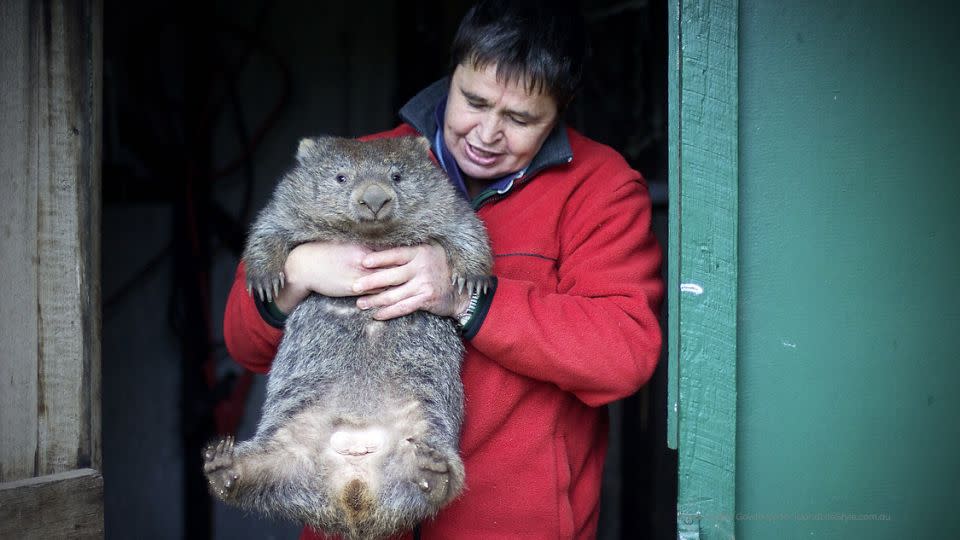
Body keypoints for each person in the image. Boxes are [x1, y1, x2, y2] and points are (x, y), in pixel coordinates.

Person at [223, 1, 663, 538]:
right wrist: (302, 268)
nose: (487, 134)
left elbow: (622, 354)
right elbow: (244, 343)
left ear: (563, 106)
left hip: (509, 523)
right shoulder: (358, 169)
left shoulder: (601, 190)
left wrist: (467, 299)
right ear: (451, 72)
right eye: (473, 101)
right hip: (353, 503)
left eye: (520, 118)